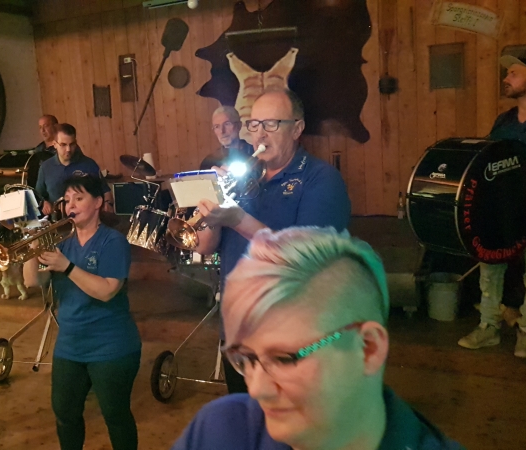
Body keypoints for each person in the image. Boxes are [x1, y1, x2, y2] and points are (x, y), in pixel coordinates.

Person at [173, 227, 464, 450]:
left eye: (284, 359)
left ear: (368, 348)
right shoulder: (220, 431)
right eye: (246, 358)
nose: (257, 390)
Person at [193, 88, 351, 394]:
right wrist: (213, 204)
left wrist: (237, 219)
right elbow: (204, 246)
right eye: (254, 124)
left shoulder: (321, 179)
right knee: (245, 419)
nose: (260, 134)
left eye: (271, 124)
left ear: (297, 128)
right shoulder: (243, 179)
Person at [24, 175, 141, 450]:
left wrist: (67, 267)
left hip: (111, 345)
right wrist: (33, 246)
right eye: (67, 201)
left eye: (79, 198)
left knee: (115, 415)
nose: (71, 206)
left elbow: (107, 290)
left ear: (98, 202)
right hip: (70, 345)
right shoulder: (62, 243)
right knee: (65, 414)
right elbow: (33, 281)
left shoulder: (112, 241)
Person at [458, 54, 526, 359]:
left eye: (513, 73)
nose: (506, 78)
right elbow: (488, 163)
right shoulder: (504, 122)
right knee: (490, 269)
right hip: (502, 215)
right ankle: (488, 327)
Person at [35, 123, 113, 216]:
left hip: (86, 219)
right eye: (63, 145)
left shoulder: (89, 164)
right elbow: (38, 195)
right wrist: (44, 203)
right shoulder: (45, 167)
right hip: (57, 221)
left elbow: (105, 191)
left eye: (72, 144)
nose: (68, 149)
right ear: (54, 144)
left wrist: (108, 204)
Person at [200, 106, 255, 170]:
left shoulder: (255, 154)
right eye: (217, 126)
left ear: (239, 126)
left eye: (227, 124)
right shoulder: (209, 162)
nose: (222, 131)